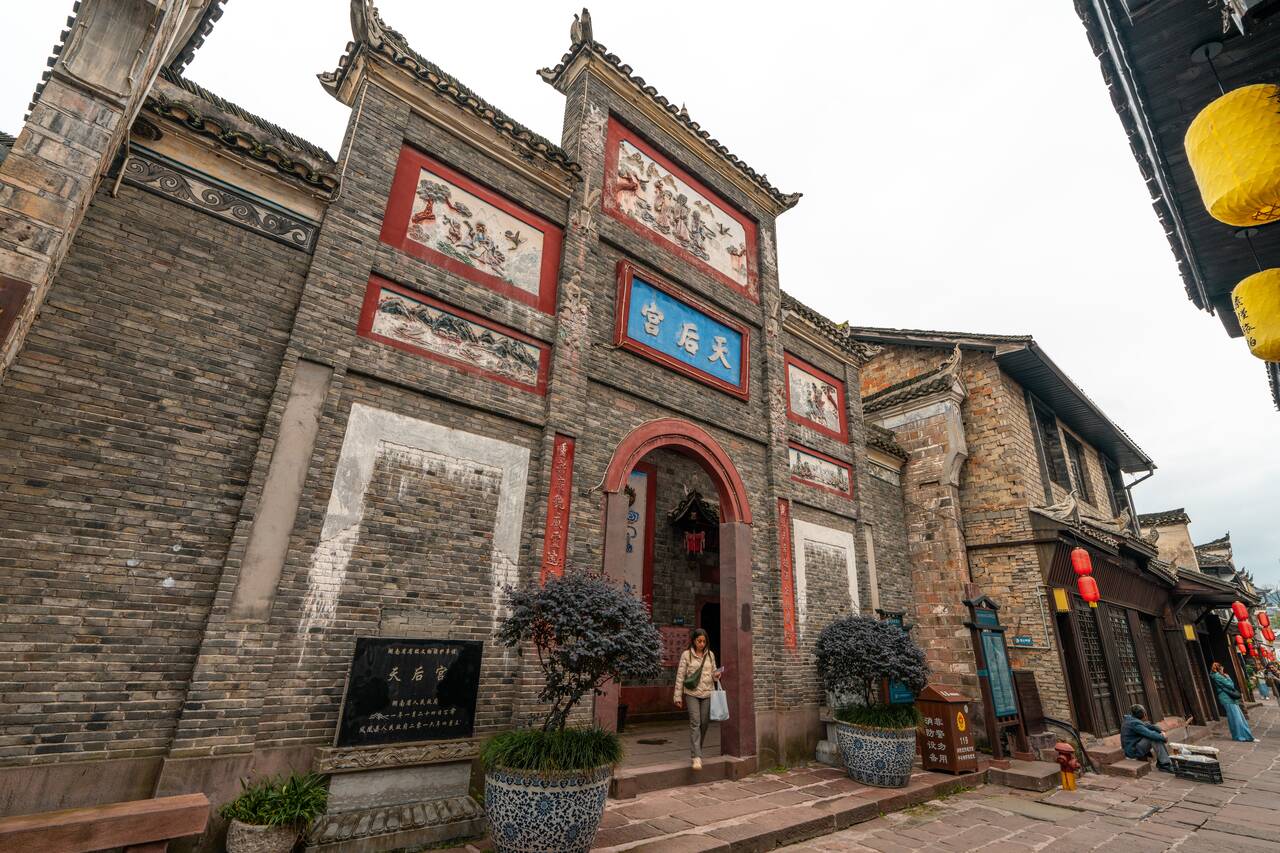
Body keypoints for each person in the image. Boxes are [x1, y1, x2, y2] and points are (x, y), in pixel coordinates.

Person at [673, 628, 724, 770]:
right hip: (692, 694)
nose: (701, 644)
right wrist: (677, 696)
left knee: (704, 723)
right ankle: (697, 756)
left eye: (704, 641)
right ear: (694, 641)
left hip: (707, 693)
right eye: (699, 641)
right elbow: (680, 676)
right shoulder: (686, 655)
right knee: (695, 723)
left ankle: (697, 751)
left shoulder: (710, 655)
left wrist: (717, 675)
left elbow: (714, 673)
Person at [1210, 661, 1256, 742]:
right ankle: (1239, 736)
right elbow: (1231, 685)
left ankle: (1246, 736)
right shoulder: (1217, 676)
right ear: (1220, 668)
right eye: (1222, 668)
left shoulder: (1218, 676)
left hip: (1229, 698)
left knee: (1239, 718)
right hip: (1227, 698)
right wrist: (1228, 677)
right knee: (1236, 718)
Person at [1120, 704, 1173, 772]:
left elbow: (1149, 725)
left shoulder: (1132, 719)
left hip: (1133, 747)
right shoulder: (1135, 723)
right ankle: (1164, 764)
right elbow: (1150, 734)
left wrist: (1161, 730)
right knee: (1154, 737)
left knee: (1156, 735)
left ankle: (1162, 762)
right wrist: (1163, 737)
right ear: (1144, 714)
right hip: (1133, 751)